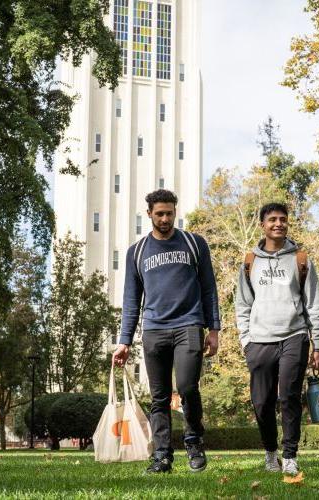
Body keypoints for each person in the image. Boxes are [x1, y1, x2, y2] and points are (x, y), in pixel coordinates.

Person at [113, 189, 220, 474]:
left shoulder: (194, 243)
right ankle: (162, 455)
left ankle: (194, 443)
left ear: (175, 212)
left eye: (169, 213)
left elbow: (209, 288)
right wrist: (124, 341)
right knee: (159, 396)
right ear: (148, 214)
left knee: (187, 388)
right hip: (154, 330)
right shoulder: (136, 252)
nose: (164, 218)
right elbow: (131, 299)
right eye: (159, 213)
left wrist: (214, 329)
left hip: (189, 324)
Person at [235, 202, 319, 475]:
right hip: (259, 340)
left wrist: (318, 342)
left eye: (283, 219)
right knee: (261, 402)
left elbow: (314, 303)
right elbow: (242, 304)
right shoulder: (250, 261)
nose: (278, 223)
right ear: (262, 224)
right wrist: (245, 341)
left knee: (288, 397)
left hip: (294, 336)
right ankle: (270, 452)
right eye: (272, 219)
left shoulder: (301, 259)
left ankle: (289, 455)